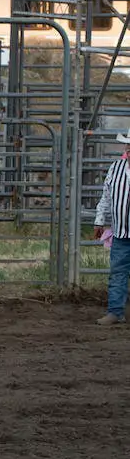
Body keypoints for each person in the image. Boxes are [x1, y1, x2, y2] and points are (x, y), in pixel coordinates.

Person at [93, 128, 130, 325]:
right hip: (122, 232)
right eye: (129, 146)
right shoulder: (115, 168)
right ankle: (115, 311)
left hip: (123, 230)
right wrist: (100, 220)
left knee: (118, 272)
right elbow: (106, 197)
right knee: (118, 272)